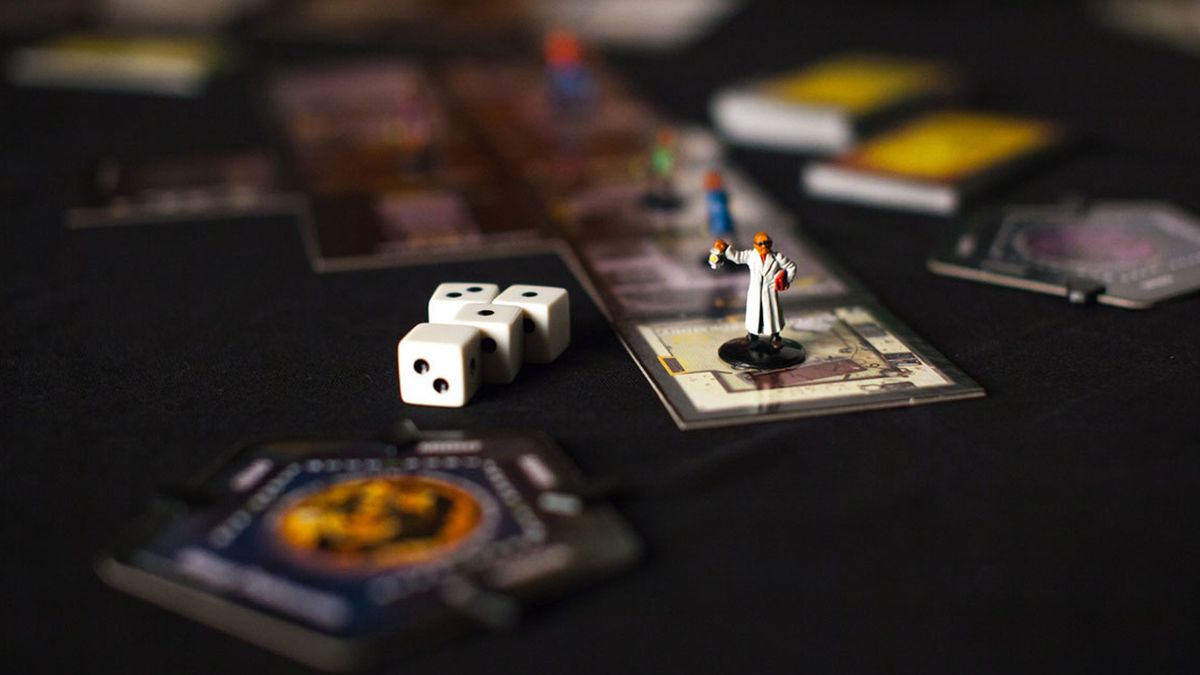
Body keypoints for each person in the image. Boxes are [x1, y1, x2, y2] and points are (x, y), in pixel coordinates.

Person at [711, 231, 796, 350]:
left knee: (772, 315)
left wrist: (786, 280)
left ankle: (775, 337)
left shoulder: (777, 257)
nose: (764, 246)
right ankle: (752, 336)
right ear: (755, 244)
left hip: (770, 292)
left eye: (767, 243)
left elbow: (791, 266)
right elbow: (737, 257)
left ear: (771, 243)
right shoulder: (751, 255)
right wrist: (725, 248)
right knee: (754, 315)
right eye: (760, 244)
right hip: (755, 292)